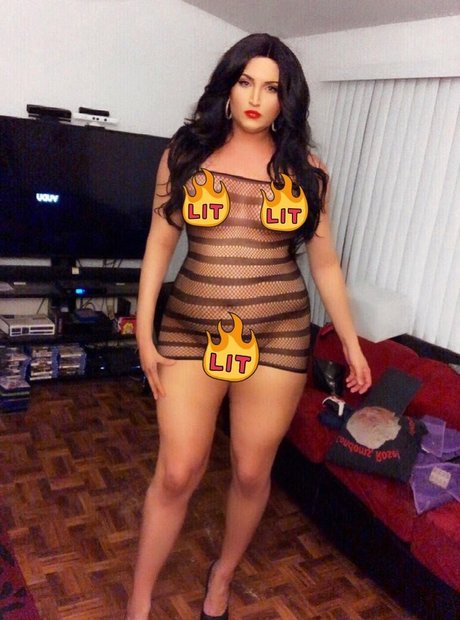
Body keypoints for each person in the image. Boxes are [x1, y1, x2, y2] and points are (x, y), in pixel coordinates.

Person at [127, 33, 372, 620]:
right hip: (190, 331)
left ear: (287, 99)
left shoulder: (308, 172)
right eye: (246, 82)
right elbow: (160, 244)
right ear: (228, 87)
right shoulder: (185, 155)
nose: (257, 98)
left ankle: (223, 574)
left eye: (272, 87)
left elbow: (325, 263)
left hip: (279, 336)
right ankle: (139, 598)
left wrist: (352, 342)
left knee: (251, 469)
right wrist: (143, 331)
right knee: (178, 471)